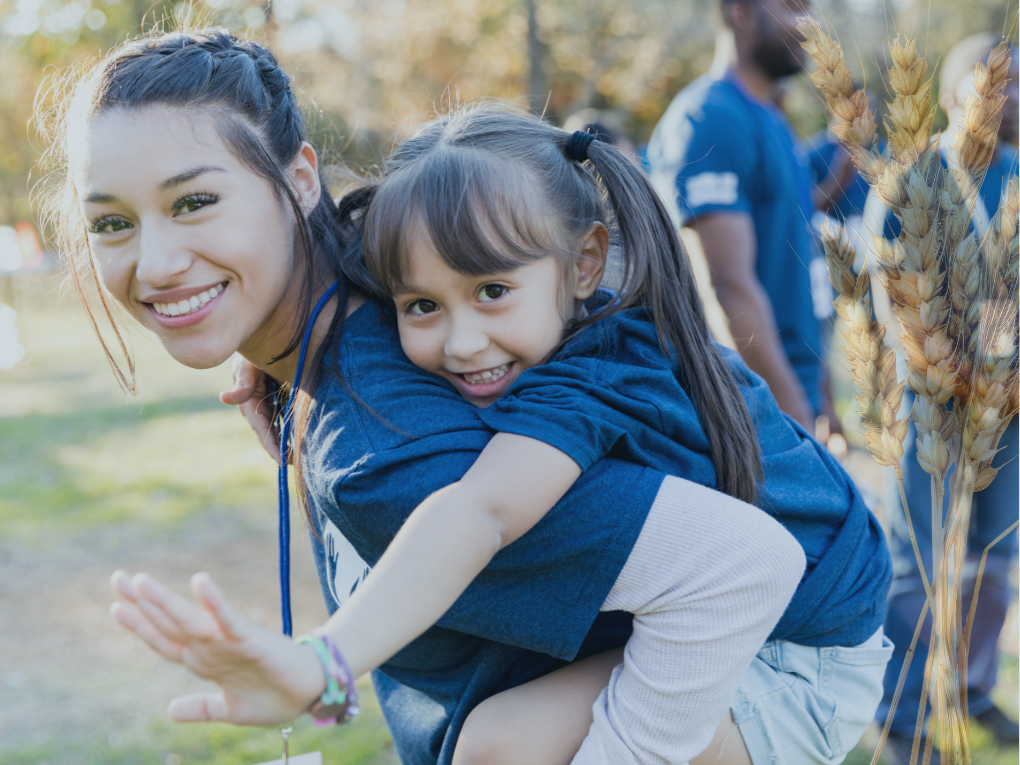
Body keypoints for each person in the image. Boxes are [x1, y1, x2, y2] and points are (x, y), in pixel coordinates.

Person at [37, 28, 888, 765]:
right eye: (112, 221)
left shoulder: (388, 448)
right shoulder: (408, 265)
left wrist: (323, 665)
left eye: (195, 201)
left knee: (498, 748)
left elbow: (734, 562)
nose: (153, 263)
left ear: (300, 180)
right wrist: (268, 362)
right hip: (793, 590)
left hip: (792, 637)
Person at [869, 33, 1020, 764]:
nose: (1016, 101)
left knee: (996, 552)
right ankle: (901, 715)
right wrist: (965, 372)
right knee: (919, 558)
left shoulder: (1017, 173)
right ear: (960, 93)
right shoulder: (912, 177)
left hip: (1008, 406)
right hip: (929, 399)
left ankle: (972, 686)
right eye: (1002, 86)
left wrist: (1005, 379)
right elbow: (899, 296)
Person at [647, 0, 824, 434]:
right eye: (793, 8)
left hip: (790, 397)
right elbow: (727, 285)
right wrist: (792, 414)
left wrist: (819, 388)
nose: (811, 25)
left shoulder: (773, 120)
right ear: (741, 14)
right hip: (753, 413)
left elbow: (791, 265)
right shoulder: (712, 118)